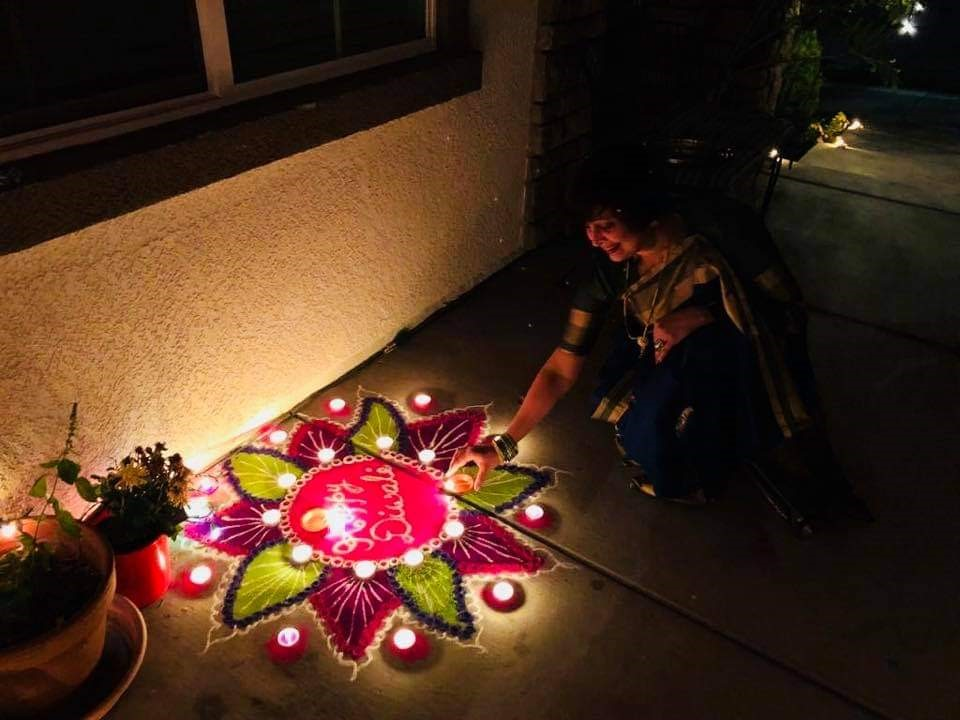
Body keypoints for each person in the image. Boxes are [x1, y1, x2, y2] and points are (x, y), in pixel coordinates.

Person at [448, 152, 862, 528]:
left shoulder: (721, 227)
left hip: (748, 344)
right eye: (588, 227)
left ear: (644, 212)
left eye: (606, 225)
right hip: (663, 349)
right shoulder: (611, 273)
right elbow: (562, 366)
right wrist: (502, 446)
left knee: (690, 388)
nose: (594, 239)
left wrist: (705, 315)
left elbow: (786, 305)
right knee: (645, 419)